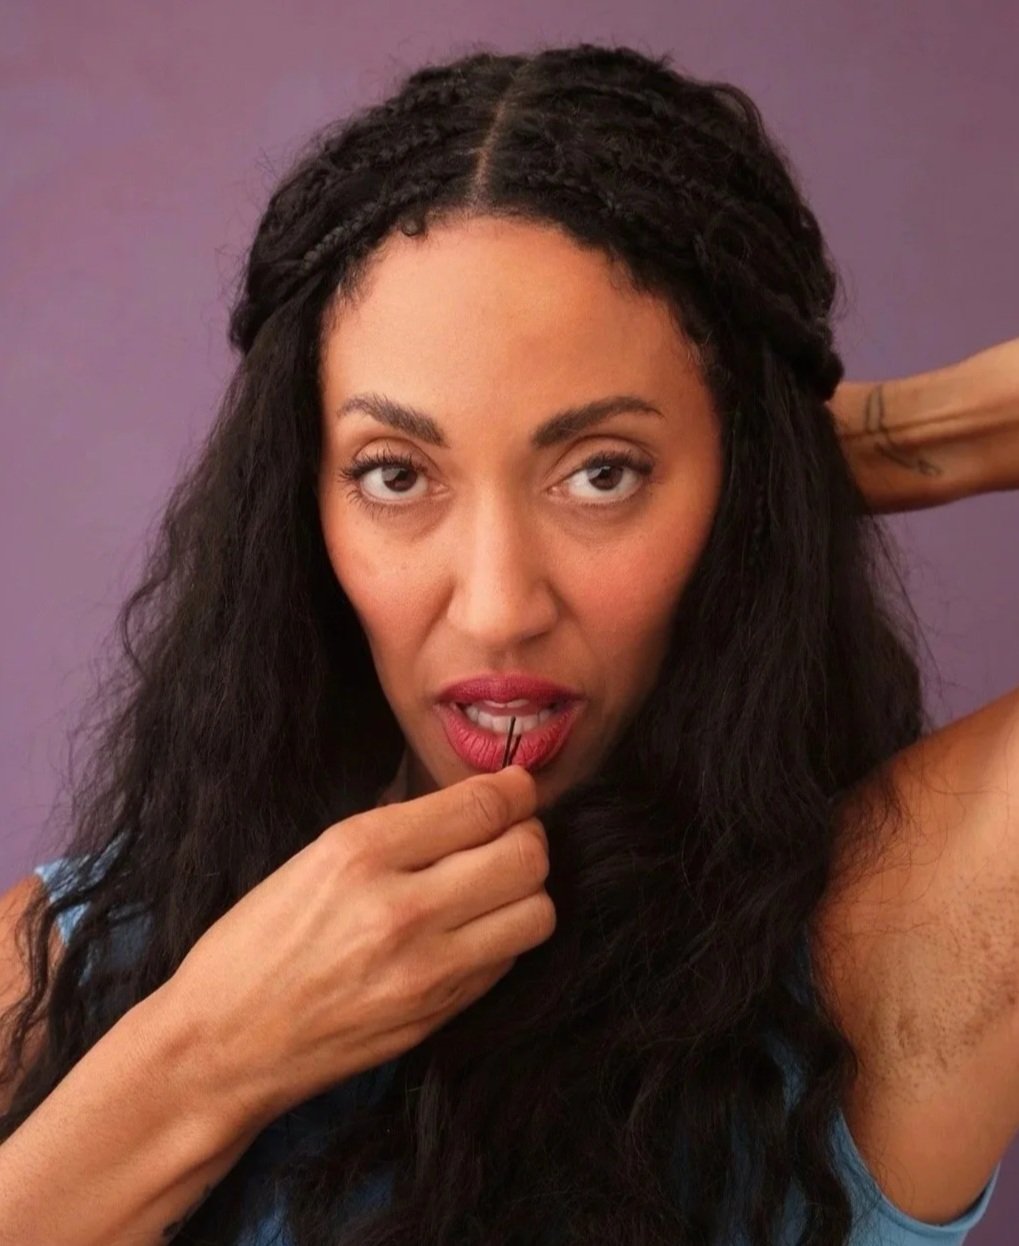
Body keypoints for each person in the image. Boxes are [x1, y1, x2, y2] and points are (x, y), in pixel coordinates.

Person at [0, 41, 1016, 1246]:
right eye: (394, 473)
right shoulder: (67, 972)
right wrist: (207, 1054)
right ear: (298, 502)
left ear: (735, 489)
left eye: (601, 471)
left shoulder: (887, 954)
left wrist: (893, 437)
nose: (495, 607)